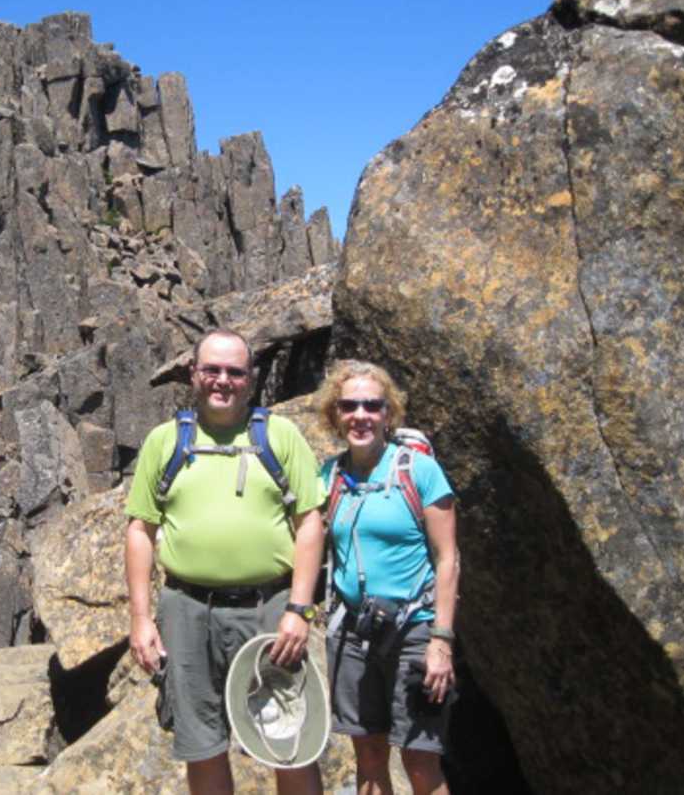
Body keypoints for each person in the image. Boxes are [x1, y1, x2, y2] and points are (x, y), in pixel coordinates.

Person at [125, 329, 324, 795]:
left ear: (250, 380)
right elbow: (140, 531)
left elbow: (310, 521)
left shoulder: (279, 435)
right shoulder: (165, 442)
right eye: (211, 369)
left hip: (271, 608)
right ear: (193, 374)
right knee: (202, 744)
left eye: (235, 372)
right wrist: (140, 618)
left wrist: (300, 608)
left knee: (289, 738)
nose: (222, 380)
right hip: (186, 610)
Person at [317, 360, 459, 795]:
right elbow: (307, 544)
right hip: (353, 633)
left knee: (420, 761)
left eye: (372, 405)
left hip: (415, 629)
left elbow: (448, 558)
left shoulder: (419, 471)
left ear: (388, 413)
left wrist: (441, 641)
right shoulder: (329, 476)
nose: (360, 415)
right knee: (370, 758)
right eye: (349, 406)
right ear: (335, 415)